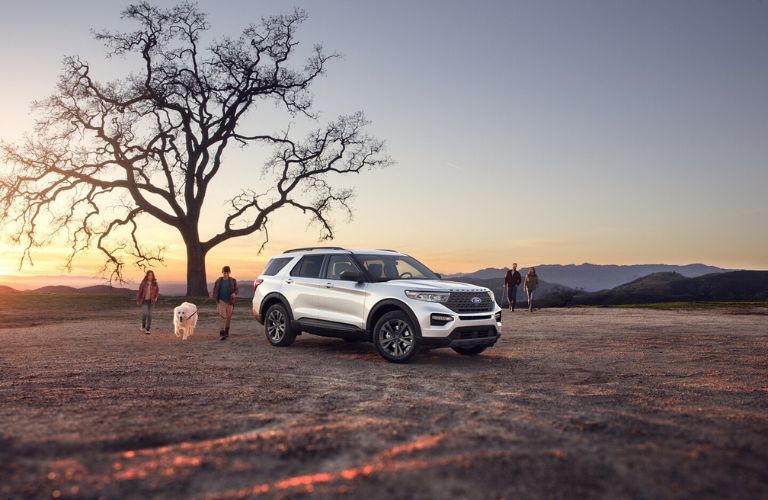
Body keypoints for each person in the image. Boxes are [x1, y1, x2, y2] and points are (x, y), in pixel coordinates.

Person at [211, 265, 239, 340]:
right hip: (221, 301)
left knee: (228, 318)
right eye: (224, 272)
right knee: (223, 317)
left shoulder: (233, 281)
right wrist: (214, 296)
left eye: (227, 272)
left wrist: (234, 293)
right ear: (222, 272)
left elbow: (237, 289)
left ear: (229, 272)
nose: (226, 274)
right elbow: (215, 289)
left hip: (230, 302)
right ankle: (222, 333)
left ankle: (226, 332)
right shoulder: (218, 281)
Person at [136, 270, 159, 335]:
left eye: (151, 275)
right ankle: (143, 325)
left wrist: (156, 297)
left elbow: (157, 291)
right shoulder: (143, 283)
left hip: (151, 301)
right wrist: (138, 300)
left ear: (153, 276)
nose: (150, 276)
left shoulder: (155, 283)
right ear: (147, 276)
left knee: (150, 315)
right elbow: (139, 292)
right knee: (145, 314)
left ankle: (148, 329)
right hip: (144, 301)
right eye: (149, 275)